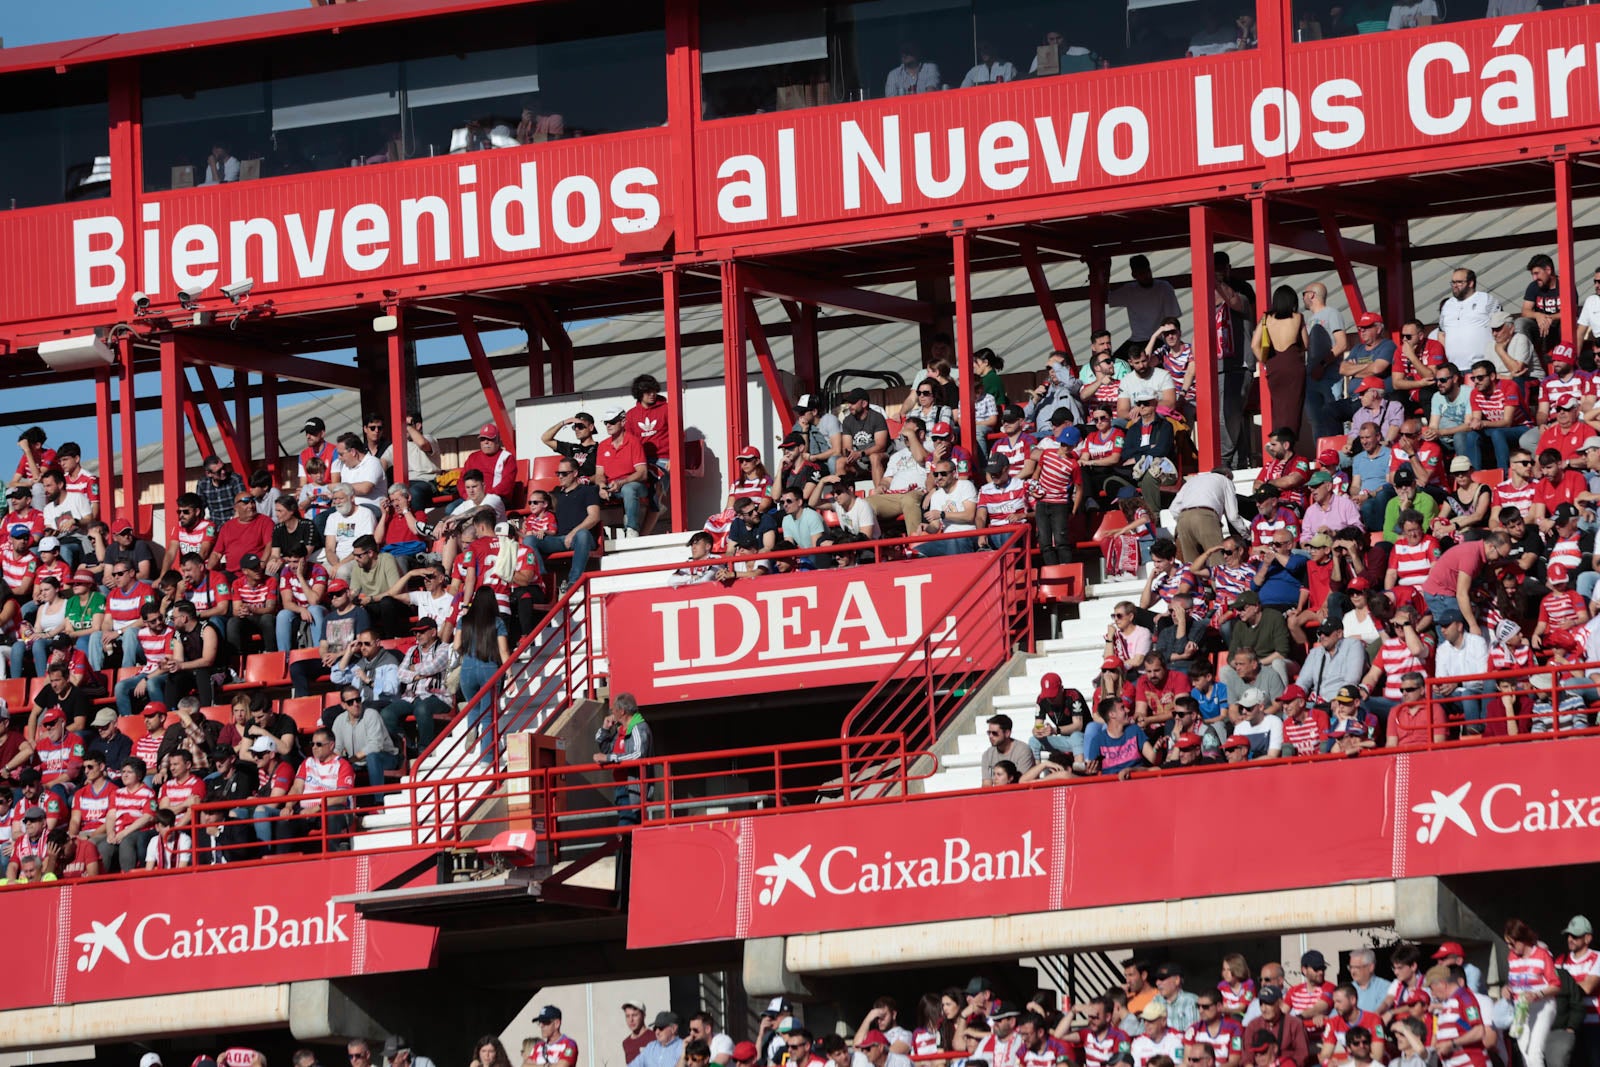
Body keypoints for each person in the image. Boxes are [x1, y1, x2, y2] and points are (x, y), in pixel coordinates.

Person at [455, 588, 509, 763]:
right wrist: (510, 674)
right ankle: (486, 759)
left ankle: (472, 727)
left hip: (467, 669)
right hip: (489, 669)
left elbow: (456, 646)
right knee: (487, 716)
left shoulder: (464, 621)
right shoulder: (497, 622)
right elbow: (503, 650)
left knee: (473, 705)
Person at [1253, 286, 1307, 443]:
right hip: (1293, 364)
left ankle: (1278, 443)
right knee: (1294, 408)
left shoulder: (1266, 319)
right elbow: (1306, 343)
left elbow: (1254, 345)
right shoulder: (1298, 317)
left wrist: (1265, 361)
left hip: (1274, 364)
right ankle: (1289, 444)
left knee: (1278, 408)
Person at [596, 692, 652, 825]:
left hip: (633, 789)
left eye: (613, 709)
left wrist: (609, 758)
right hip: (621, 787)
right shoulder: (621, 730)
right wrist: (604, 729)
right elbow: (607, 749)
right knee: (627, 828)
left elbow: (638, 754)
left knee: (627, 828)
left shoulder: (639, 728)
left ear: (621, 711)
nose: (611, 712)